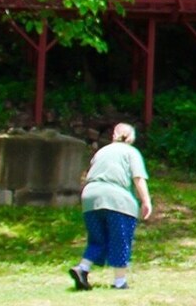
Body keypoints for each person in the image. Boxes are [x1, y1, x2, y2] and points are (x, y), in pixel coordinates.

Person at [69, 123, 153, 291]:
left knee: (97, 239)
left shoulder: (101, 151)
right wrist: (146, 201)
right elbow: (138, 178)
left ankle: (83, 268)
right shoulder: (131, 152)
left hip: (91, 197)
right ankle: (120, 282)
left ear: (114, 135)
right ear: (131, 137)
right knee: (121, 239)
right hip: (118, 200)